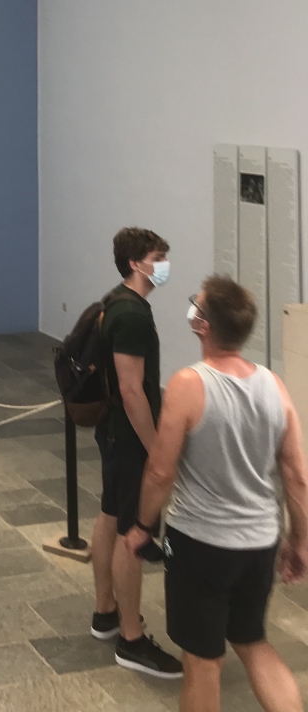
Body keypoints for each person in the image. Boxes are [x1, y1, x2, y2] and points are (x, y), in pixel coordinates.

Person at [126, 276, 308, 712]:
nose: (192, 308)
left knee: (202, 660)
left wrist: (142, 526)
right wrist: (300, 540)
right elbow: (297, 476)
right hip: (259, 544)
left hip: (200, 545)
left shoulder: (189, 384)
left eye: (197, 304)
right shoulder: (274, 385)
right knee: (252, 641)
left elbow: (160, 471)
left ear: (203, 325)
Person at [90, 227, 183, 677]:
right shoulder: (130, 315)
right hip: (128, 438)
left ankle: (106, 611)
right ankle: (130, 639)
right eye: (157, 257)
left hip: (115, 434)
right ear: (135, 263)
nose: (163, 264)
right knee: (133, 532)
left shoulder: (118, 303)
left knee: (111, 516)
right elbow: (132, 391)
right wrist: (156, 448)